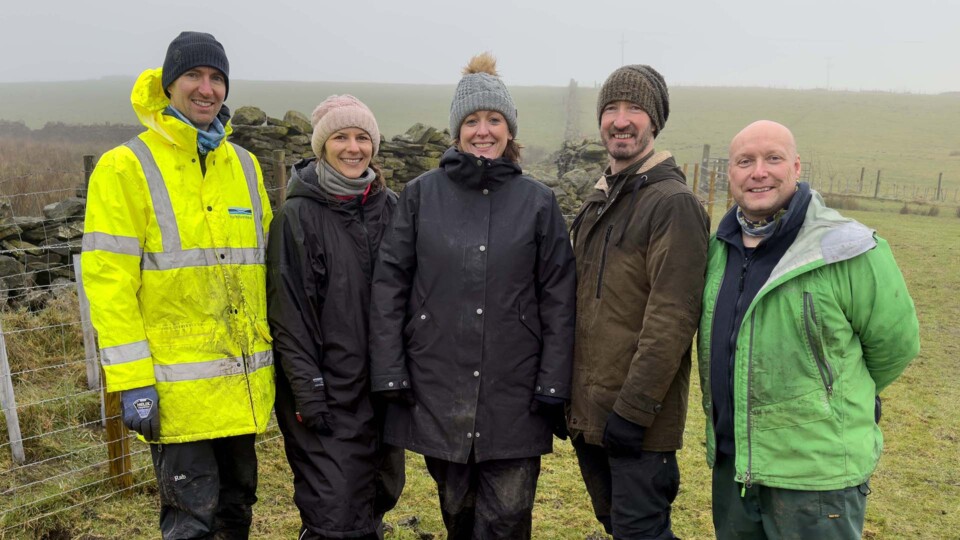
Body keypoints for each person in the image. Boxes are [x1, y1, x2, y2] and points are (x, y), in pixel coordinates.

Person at [369, 52, 576, 540]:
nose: (483, 131)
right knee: (458, 512)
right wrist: (390, 370)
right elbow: (390, 286)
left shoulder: (538, 203)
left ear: (510, 129)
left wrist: (553, 384)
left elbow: (559, 299)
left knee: (506, 518)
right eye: (472, 121)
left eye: (494, 120)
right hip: (439, 387)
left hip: (516, 393)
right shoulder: (420, 196)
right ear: (456, 130)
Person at [80, 31, 274, 539]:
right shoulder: (125, 166)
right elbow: (108, 282)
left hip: (242, 387)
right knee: (191, 518)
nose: (206, 88)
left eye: (216, 78)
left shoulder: (246, 168)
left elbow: (267, 271)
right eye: (193, 75)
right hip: (174, 392)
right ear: (169, 86)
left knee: (236, 509)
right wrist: (131, 379)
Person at [699, 120, 920, 539]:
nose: (758, 171)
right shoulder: (717, 250)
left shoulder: (848, 249)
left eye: (773, 159)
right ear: (730, 174)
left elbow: (896, 346)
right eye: (745, 161)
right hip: (735, 471)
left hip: (816, 481)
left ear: (796, 167)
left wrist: (835, 398)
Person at [569, 64, 709, 540]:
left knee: (641, 531)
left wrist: (633, 411)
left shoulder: (672, 203)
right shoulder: (600, 200)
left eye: (634, 109)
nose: (621, 120)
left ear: (654, 121)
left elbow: (673, 318)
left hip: (637, 421)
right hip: (591, 412)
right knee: (617, 525)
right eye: (611, 109)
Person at [266, 95, 404, 539]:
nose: (353, 147)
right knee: (333, 513)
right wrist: (309, 391)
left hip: (382, 395)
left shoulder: (392, 209)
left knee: (376, 498)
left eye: (362, 137)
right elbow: (289, 314)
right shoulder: (297, 216)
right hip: (326, 395)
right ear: (322, 146)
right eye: (340, 137)